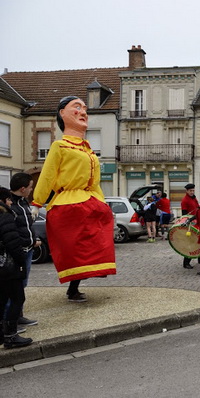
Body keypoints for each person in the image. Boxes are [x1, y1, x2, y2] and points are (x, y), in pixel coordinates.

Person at [32, 96, 116, 303]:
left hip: (89, 201)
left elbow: (94, 183)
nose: (83, 112)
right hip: (68, 204)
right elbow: (48, 175)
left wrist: (102, 204)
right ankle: (72, 288)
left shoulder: (88, 150)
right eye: (76, 107)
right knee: (74, 250)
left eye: (85, 108)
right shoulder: (59, 146)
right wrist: (37, 202)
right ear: (62, 113)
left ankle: (75, 287)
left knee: (96, 246)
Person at [0, 188, 33, 349]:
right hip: (8, 267)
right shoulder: (5, 217)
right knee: (17, 298)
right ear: (4, 201)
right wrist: (21, 261)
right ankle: (11, 336)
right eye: (9, 200)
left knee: (2, 299)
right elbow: (12, 242)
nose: (11, 202)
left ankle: (2, 333)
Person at [9, 173, 40, 328]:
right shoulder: (9, 206)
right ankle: (9, 322)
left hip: (28, 251)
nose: (31, 189)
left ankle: (17, 316)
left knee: (22, 285)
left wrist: (33, 241)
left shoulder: (24, 202)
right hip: (17, 253)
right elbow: (10, 231)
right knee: (13, 288)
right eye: (30, 187)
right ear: (22, 189)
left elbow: (26, 226)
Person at [180, 183, 200, 270]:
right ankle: (186, 262)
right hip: (190, 224)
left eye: (193, 190)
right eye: (190, 191)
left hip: (197, 222)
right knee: (191, 243)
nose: (192, 192)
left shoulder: (194, 198)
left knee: (199, 241)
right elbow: (184, 215)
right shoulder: (185, 200)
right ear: (186, 191)